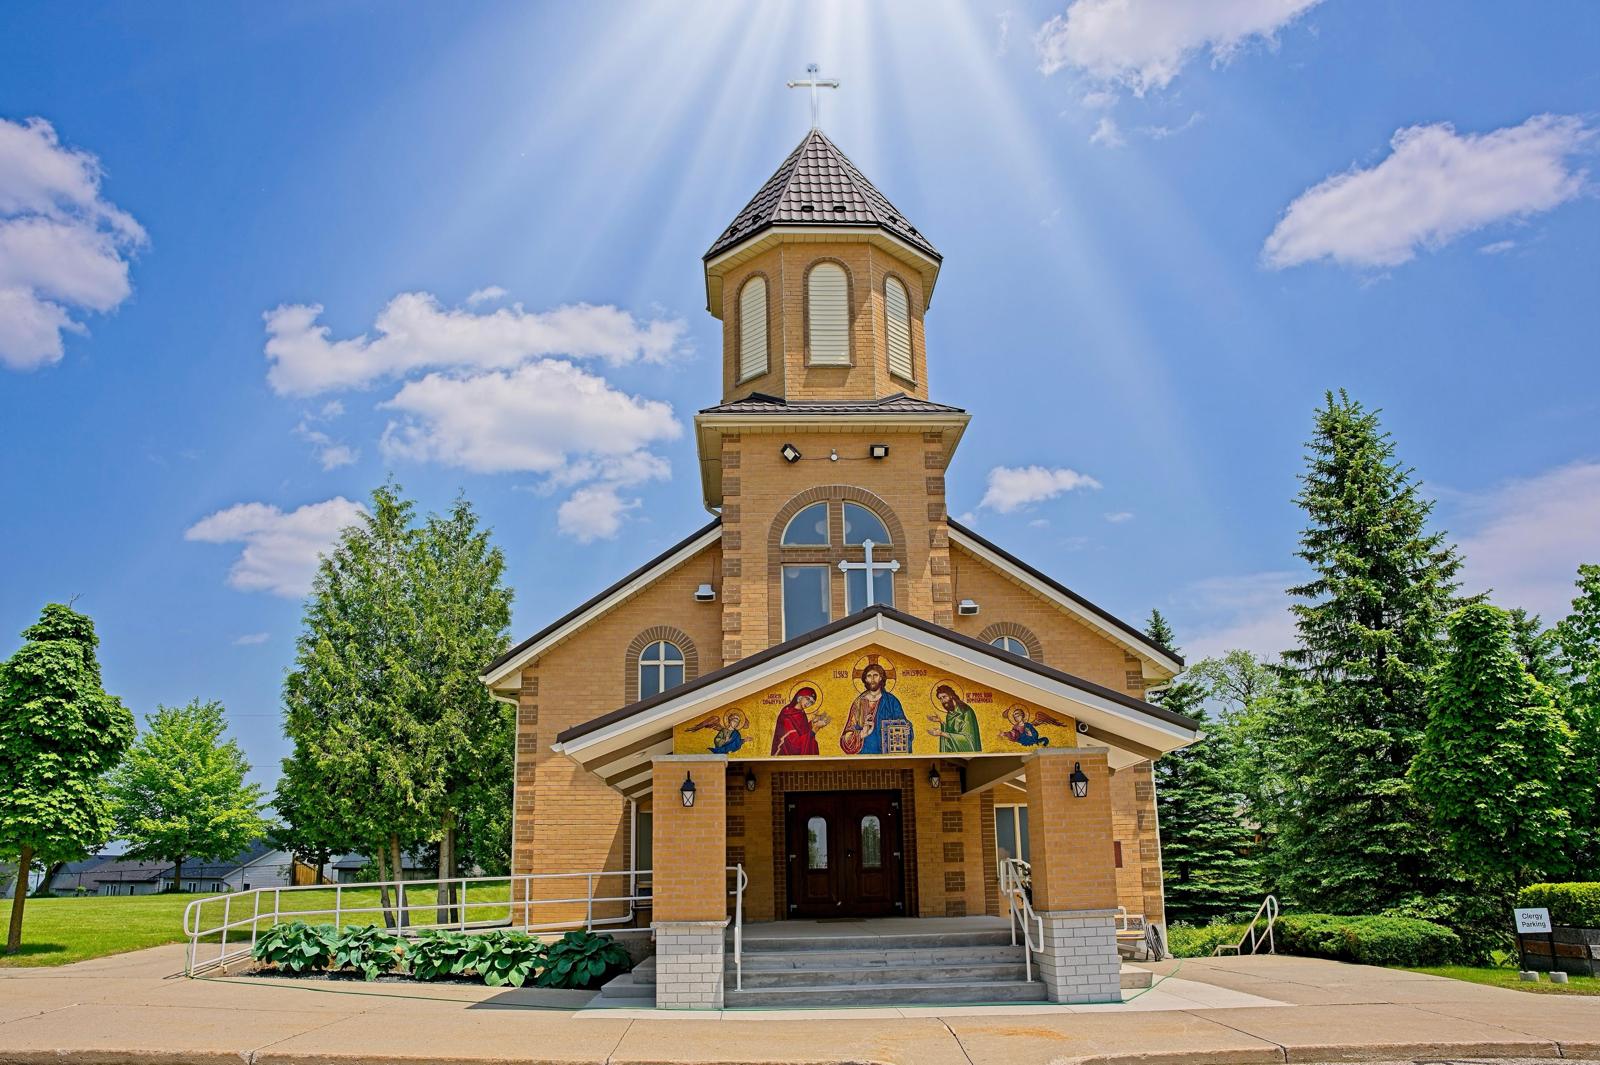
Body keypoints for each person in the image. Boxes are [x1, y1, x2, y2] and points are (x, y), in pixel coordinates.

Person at [841, 662, 910, 754]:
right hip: (863, 754)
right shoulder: (858, 703)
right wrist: (862, 734)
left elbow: (903, 724)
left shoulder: (891, 701)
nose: (872, 679)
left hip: (886, 754)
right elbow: (847, 735)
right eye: (869, 676)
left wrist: (907, 729)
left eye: (875, 675)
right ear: (865, 679)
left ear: (881, 678)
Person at [925, 684, 981, 753]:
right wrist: (941, 722)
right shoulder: (950, 714)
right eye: (940, 699)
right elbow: (951, 731)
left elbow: (968, 739)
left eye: (944, 697)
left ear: (951, 695)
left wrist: (941, 733)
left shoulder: (966, 711)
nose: (943, 700)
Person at [771, 687, 827, 756]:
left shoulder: (801, 713)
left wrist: (812, 723)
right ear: (800, 697)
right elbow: (794, 744)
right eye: (808, 699)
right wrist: (814, 730)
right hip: (785, 755)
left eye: (811, 702)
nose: (808, 703)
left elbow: (803, 731)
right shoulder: (787, 714)